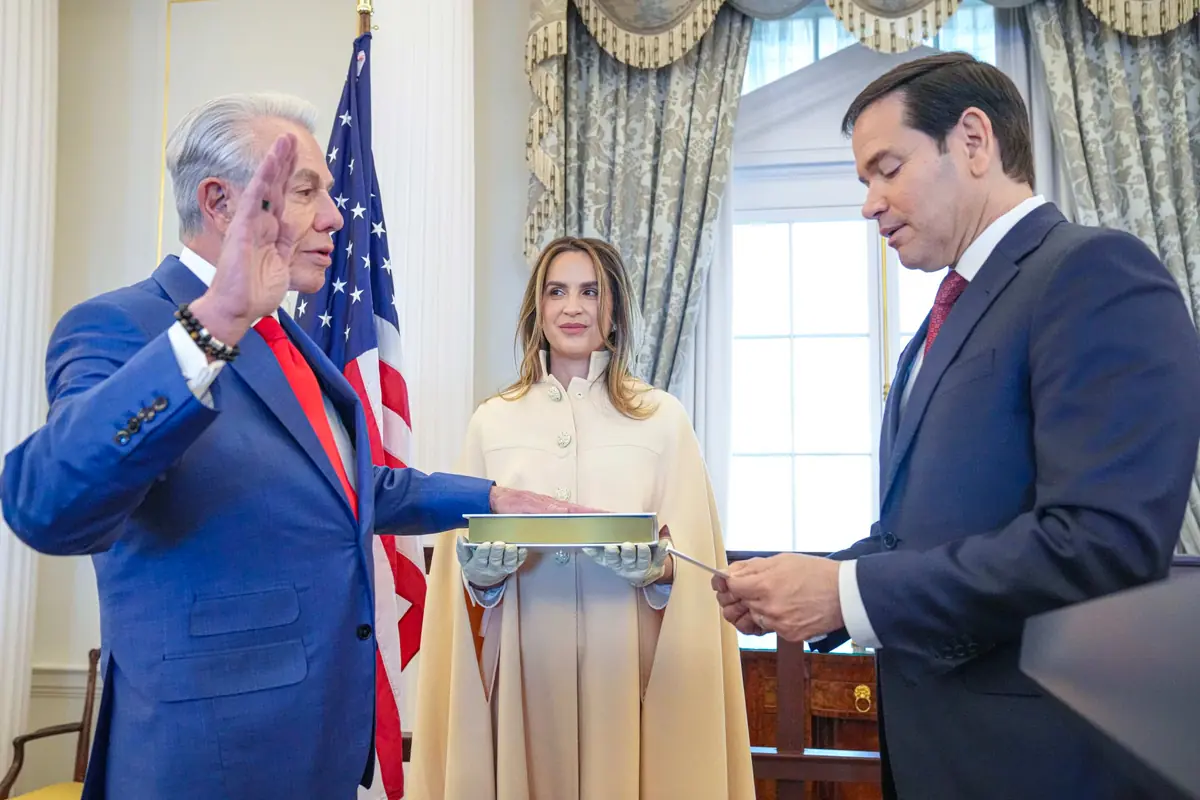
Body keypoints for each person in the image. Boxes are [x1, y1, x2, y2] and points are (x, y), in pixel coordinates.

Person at [0, 93, 585, 800]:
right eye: (306, 191)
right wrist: (215, 323)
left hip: (322, 747)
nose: (335, 218)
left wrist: (490, 499)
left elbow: (349, 487)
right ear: (220, 203)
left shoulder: (295, 345)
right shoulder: (118, 325)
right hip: (205, 762)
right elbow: (47, 504)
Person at [713, 52, 1200, 800]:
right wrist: (806, 582)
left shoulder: (1094, 273)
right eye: (862, 180)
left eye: (886, 167)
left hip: (1046, 760)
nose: (869, 202)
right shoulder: (944, 318)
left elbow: (1104, 542)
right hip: (940, 750)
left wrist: (849, 592)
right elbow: (930, 530)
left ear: (973, 140)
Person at [410, 236, 754, 800]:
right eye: (557, 291)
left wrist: (659, 574)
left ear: (614, 307)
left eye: (590, 291)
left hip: (624, 677)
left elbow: (695, 569)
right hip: (523, 673)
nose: (573, 307)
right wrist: (483, 580)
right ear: (536, 309)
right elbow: (459, 584)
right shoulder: (491, 423)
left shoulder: (662, 420)